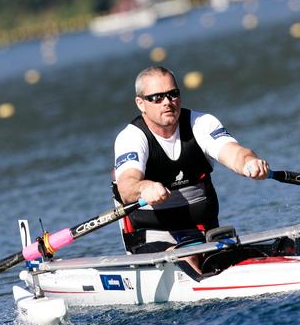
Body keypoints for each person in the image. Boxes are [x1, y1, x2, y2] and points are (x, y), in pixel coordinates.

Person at [113, 66, 269, 257]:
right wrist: (144, 188)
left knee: (254, 253)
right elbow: (127, 187)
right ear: (141, 103)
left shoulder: (202, 123)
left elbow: (234, 153)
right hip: (151, 237)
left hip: (203, 233)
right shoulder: (131, 138)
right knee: (191, 257)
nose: (167, 102)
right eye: (157, 97)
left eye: (173, 94)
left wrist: (249, 163)